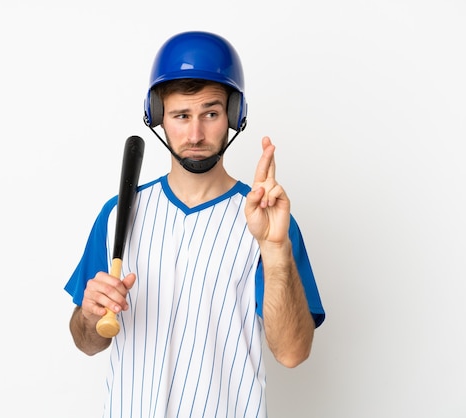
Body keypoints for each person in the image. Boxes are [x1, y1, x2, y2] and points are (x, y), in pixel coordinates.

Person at [65, 30, 325, 417]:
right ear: (159, 117)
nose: (196, 134)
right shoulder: (119, 213)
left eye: (211, 113)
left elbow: (292, 353)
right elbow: (87, 342)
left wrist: (274, 251)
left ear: (234, 116)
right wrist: (88, 315)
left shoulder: (268, 221)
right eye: (181, 116)